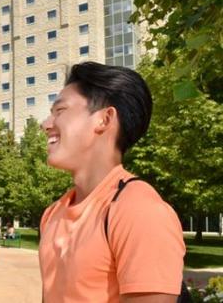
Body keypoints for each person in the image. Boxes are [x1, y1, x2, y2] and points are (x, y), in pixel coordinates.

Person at [38, 62, 185, 302]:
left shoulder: (138, 211)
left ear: (104, 119)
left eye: (60, 111)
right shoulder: (51, 215)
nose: (45, 124)